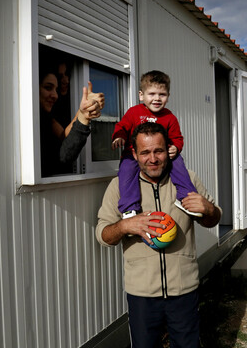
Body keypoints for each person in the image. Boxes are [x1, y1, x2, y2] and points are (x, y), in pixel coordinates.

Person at [96, 122, 221, 347]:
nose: (152, 159)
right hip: (142, 294)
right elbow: (103, 236)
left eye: (158, 151)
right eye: (145, 152)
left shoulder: (186, 180)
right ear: (134, 153)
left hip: (184, 289)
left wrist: (208, 208)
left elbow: (213, 218)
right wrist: (125, 226)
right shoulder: (120, 187)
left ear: (169, 150)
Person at [111, 70, 201, 218]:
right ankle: (129, 208)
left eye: (162, 94)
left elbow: (177, 137)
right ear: (141, 95)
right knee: (126, 171)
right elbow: (122, 126)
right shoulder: (134, 112)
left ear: (168, 96)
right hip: (132, 153)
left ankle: (185, 198)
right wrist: (118, 136)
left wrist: (175, 147)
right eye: (152, 94)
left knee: (178, 163)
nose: (157, 98)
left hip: (162, 154)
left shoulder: (169, 117)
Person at [39, 71, 104, 177]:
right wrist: (83, 115)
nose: (55, 95)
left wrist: (84, 111)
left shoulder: (48, 119)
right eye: (48, 87)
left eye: (56, 89)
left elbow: (64, 136)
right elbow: (64, 155)